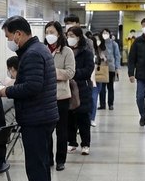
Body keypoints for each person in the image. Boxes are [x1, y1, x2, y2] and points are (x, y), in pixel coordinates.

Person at [0, 16, 58, 181]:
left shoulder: (32, 54)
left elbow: (32, 86)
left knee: (36, 165)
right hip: (43, 115)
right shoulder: (39, 49)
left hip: (37, 118)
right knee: (41, 164)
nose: (8, 41)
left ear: (18, 34)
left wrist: (6, 91)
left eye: (8, 36)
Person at [45, 21, 75, 171]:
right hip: (46, 97)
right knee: (47, 130)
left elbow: (70, 72)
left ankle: (61, 160)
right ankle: (48, 158)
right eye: (47, 32)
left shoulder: (66, 51)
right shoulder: (43, 50)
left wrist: (52, 73)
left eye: (52, 32)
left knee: (61, 130)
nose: (49, 35)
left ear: (58, 34)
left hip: (62, 96)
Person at [66, 26, 95, 155]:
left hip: (82, 88)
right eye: (68, 35)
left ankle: (85, 144)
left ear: (79, 37)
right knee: (69, 117)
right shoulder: (65, 51)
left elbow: (88, 70)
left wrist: (72, 73)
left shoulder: (86, 52)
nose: (69, 38)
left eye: (72, 35)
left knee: (83, 117)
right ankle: (72, 142)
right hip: (67, 88)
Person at [97, 28, 121, 110]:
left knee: (110, 87)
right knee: (102, 88)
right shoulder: (99, 44)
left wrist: (117, 67)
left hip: (111, 67)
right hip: (102, 67)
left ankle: (111, 104)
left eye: (106, 33)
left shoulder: (114, 44)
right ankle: (102, 104)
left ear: (109, 33)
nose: (105, 34)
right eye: (103, 33)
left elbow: (117, 56)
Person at [89, 32, 107, 127]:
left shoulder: (103, 50)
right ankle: (87, 119)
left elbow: (110, 59)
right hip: (89, 77)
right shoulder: (89, 50)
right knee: (89, 99)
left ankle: (92, 118)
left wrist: (104, 58)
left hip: (98, 76)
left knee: (94, 98)